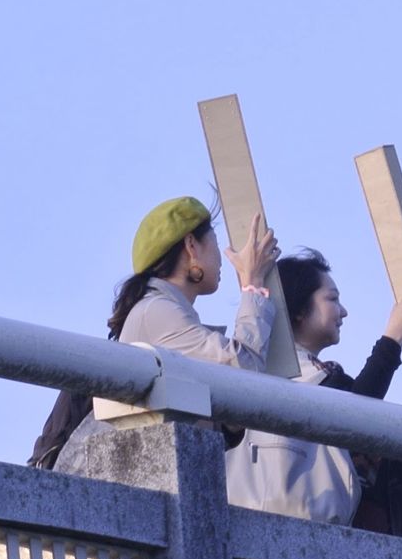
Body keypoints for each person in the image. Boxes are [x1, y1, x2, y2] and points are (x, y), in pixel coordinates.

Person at [51, 196, 279, 472]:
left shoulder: (161, 311)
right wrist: (252, 284)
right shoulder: (156, 311)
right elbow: (241, 370)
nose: (223, 257)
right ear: (191, 246)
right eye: (217, 244)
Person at [225, 249, 402, 529]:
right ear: (298, 310)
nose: (343, 311)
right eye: (332, 299)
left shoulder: (312, 376)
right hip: (287, 529)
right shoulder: (290, 374)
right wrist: (394, 335)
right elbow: (357, 412)